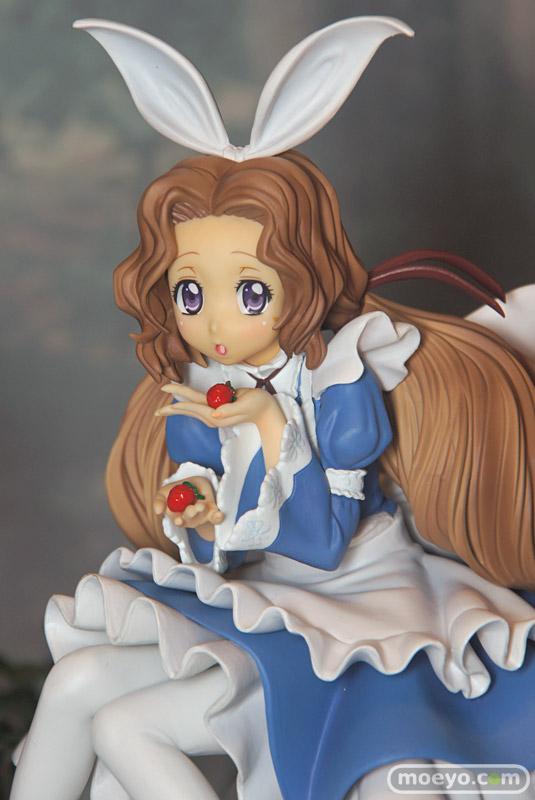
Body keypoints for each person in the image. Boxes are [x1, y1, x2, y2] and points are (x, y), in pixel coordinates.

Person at [10, 18, 535, 800]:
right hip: (264, 600)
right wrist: (195, 511)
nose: (216, 324)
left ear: (305, 278)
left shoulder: (339, 381)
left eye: (249, 292)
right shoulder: (196, 390)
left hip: (357, 610)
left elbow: (321, 542)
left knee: (124, 726)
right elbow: (213, 546)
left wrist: (266, 427)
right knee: (77, 683)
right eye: (191, 294)